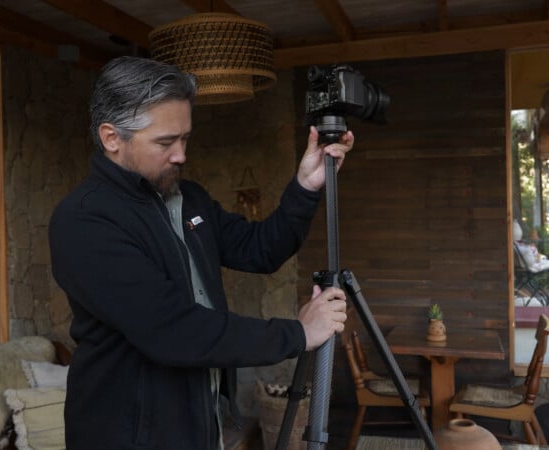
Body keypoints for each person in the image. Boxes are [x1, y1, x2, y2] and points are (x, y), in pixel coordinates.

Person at [48, 55, 354, 450]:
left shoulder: (187, 198)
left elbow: (261, 249)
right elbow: (173, 330)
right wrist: (297, 333)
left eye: (185, 138)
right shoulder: (84, 220)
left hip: (200, 426)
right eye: (165, 142)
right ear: (112, 138)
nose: (180, 155)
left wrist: (305, 186)